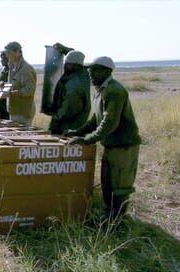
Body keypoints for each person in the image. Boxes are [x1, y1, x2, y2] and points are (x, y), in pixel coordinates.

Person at [65, 56, 142, 217]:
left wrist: (87, 139)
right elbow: (96, 119)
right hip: (112, 144)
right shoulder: (101, 90)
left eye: (96, 71)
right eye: (90, 71)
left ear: (107, 71)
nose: (91, 74)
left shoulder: (114, 91)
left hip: (123, 145)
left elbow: (109, 122)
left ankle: (117, 222)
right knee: (108, 183)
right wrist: (78, 131)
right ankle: (109, 218)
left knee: (120, 186)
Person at [47, 46, 91, 135]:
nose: (65, 66)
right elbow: (75, 56)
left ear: (75, 66)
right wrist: (65, 49)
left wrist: (55, 116)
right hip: (74, 123)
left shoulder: (74, 83)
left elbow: (67, 109)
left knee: (67, 148)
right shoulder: (82, 73)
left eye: (67, 64)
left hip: (70, 125)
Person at [2, 41, 36, 126]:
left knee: (22, 138)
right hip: (14, 111)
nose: (7, 55)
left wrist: (10, 94)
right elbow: (15, 84)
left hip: (23, 112)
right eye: (6, 52)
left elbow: (29, 90)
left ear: (18, 52)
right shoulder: (13, 67)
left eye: (9, 52)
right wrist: (4, 84)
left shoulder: (26, 69)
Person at [0, 50, 10, 119]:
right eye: (1, 58)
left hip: (8, 103)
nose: (1, 60)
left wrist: (5, 84)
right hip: (0, 102)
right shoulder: (4, 70)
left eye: (4, 58)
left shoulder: (13, 70)